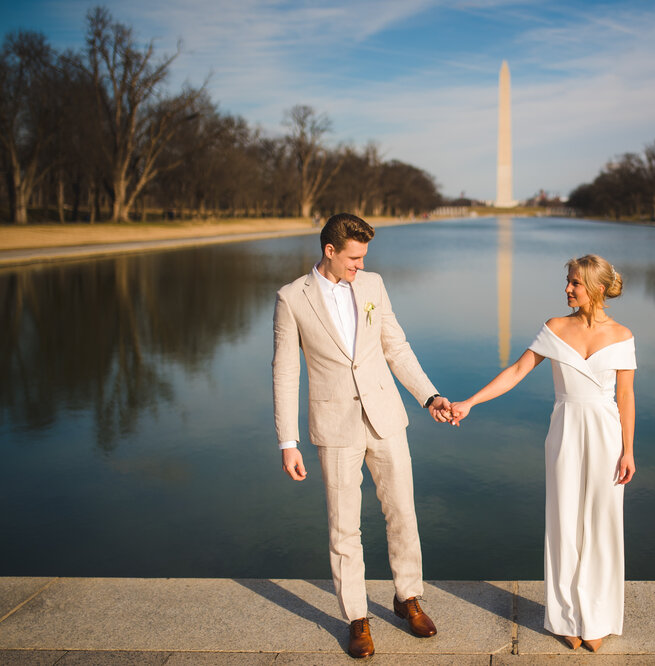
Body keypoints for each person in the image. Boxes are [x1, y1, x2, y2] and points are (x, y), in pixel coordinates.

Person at [272, 213, 452, 659]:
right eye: (353, 257)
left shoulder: (372, 285)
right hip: (334, 428)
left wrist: (430, 397)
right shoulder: (291, 298)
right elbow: (285, 372)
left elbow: (396, 346)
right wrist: (287, 442)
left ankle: (407, 597)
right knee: (343, 527)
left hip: (387, 417)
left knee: (403, 513)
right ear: (329, 251)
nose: (359, 265)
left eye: (364, 257)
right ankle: (357, 617)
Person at [451, 254, 636, 652]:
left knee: (603, 524)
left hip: (607, 435)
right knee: (565, 521)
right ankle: (567, 616)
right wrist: (470, 403)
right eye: (568, 282)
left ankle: (598, 617)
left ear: (599, 288)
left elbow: (626, 397)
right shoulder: (555, 328)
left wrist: (629, 452)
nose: (567, 289)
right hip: (566, 430)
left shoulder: (622, 336)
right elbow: (517, 372)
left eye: (575, 283)